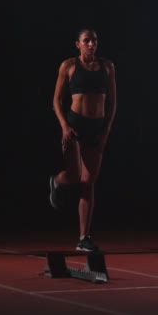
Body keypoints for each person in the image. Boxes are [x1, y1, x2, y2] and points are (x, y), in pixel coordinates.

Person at [48, 27, 117, 252]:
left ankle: (84, 238)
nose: (91, 45)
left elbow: (112, 104)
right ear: (77, 44)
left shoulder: (107, 67)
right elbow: (57, 101)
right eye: (86, 41)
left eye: (94, 41)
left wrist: (106, 131)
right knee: (75, 176)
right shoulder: (68, 66)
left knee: (89, 183)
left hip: (96, 128)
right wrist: (64, 126)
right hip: (75, 126)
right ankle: (58, 181)